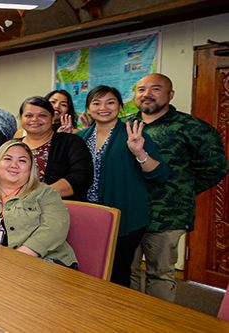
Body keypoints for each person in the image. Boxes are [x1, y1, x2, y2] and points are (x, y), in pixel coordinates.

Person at [128, 73, 228, 301]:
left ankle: (159, 324)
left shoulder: (192, 128)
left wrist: (180, 190)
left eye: (155, 89)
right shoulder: (127, 125)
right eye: (141, 89)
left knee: (160, 274)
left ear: (170, 95)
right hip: (130, 213)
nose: (147, 94)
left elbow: (215, 168)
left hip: (167, 216)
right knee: (126, 270)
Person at [76, 85, 170, 288]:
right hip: (90, 216)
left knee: (118, 273)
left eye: (110, 102)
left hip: (124, 217)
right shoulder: (81, 137)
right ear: (88, 109)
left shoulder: (132, 134)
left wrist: (139, 152)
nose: (103, 107)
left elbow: (160, 174)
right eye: (96, 103)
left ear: (120, 107)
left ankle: (117, 317)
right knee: (89, 270)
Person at [0, 140, 78, 268]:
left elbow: (55, 229)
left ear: (31, 168)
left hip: (42, 262)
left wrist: (14, 260)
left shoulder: (46, 194)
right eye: (7, 159)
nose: (14, 165)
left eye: (22, 161)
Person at [15, 96, 92, 201]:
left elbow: (81, 177)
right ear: (21, 118)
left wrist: (37, 195)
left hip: (58, 209)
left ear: (52, 119)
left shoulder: (71, 142)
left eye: (42, 115)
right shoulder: (11, 146)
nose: (34, 119)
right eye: (29, 115)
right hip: (14, 210)